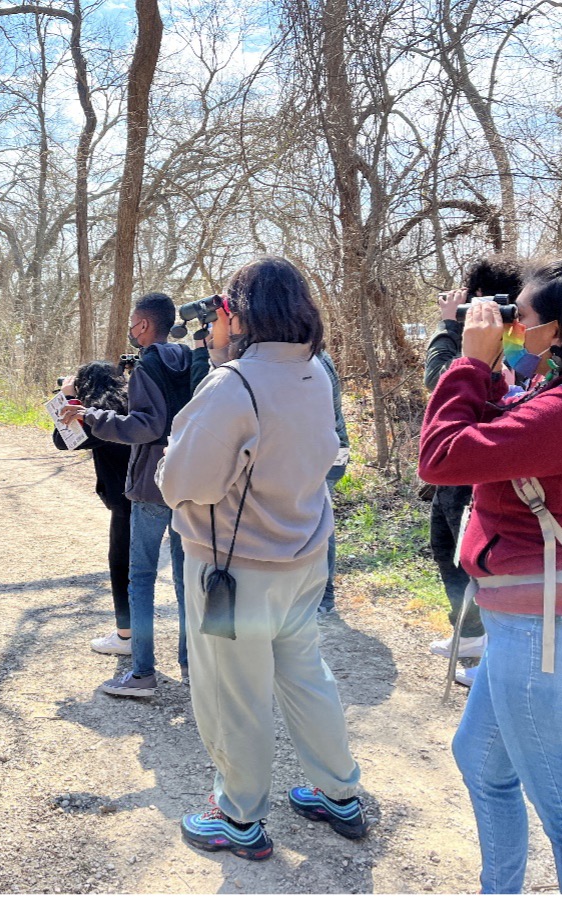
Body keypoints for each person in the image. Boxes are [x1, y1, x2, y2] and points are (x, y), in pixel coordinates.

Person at [419, 259, 562, 894]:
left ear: (560, 330)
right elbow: (507, 431)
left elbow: (441, 457)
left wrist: (468, 364)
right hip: (536, 630)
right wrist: (492, 372)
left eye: (520, 316)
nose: (511, 325)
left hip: (560, 641)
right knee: (483, 763)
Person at [158, 256, 368, 861]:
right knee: (306, 676)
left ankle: (238, 816)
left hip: (234, 571)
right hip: (303, 558)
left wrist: (214, 363)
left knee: (234, 693)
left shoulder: (234, 385)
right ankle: (338, 792)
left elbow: (181, 484)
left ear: (237, 313)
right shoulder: (315, 371)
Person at [60, 293, 192, 698]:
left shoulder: (148, 364)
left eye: (133, 323)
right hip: (190, 480)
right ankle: (192, 666)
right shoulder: (190, 359)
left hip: (152, 486)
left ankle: (142, 674)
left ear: (144, 325)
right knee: (187, 580)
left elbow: (146, 426)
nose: (131, 331)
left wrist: (89, 415)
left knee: (141, 578)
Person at [422, 256, 524, 687]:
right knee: (446, 546)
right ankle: (468, 634)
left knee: (473, 558)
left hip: (473, 460)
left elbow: (440, 378)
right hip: (470, 460)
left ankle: (484, 641)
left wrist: (449, 325)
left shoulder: (513, 337)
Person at [54, 362, 133, 654]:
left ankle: (126, 637)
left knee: (121, 567)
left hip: (127, 502)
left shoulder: (99, 419)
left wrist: (67, 396)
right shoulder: (131, 403)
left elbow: (63, 441)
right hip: (157, 494)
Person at [316, 349, 350, 619]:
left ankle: (324, 595)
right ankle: (322, 594)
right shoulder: (318, 355)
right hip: (333, 449)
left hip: (329, 451)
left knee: (321, 522)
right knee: (320, 519)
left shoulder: (312, 362)